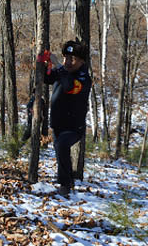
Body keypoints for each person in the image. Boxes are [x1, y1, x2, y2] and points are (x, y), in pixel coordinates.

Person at [40, 40, 91, 197]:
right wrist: (45, 63)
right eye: (65, 58)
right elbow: (48, 78)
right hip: (58, 123)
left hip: (74, 127)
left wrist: (58, 65)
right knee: (60, 150)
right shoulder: (63, 71)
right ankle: (68, 180)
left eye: (72, 59)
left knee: (62, 145)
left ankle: (64, 185)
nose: (67, 62)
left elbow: (69, 86)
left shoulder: (83, 78)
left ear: (82, 61)